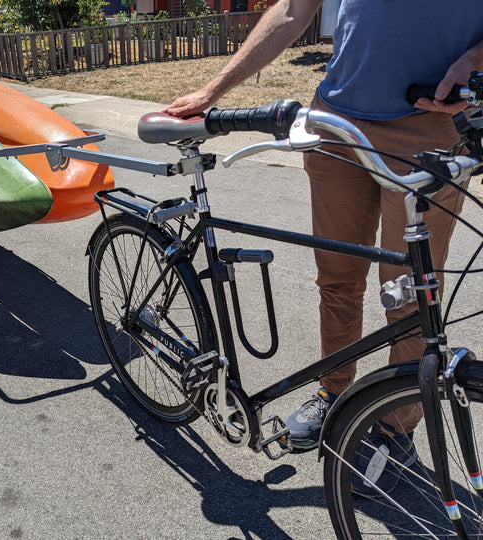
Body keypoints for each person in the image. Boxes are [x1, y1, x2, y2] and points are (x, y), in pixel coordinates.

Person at [164, 0, 483, 493]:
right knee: (337, 279)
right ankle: (333, 395)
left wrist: (477, 58)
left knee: (411, 295)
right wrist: (213, 90)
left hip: (427, 121)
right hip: (335, 120)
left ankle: (394, 430)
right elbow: (293, 11)